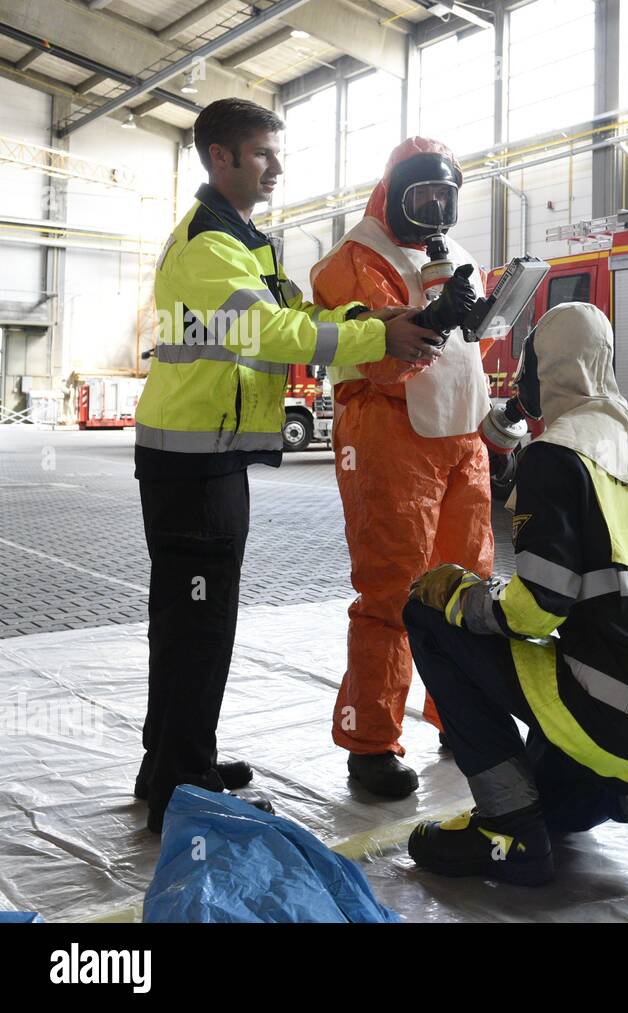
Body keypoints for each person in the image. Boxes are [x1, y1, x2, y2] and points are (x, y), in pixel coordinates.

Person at [133, 99, 442, 833]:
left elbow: (300, 316)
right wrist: (378, 340)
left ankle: (174, 758)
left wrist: (378, 325)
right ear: (220, 157)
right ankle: (183, 786)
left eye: (277, 152)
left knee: (189, 619)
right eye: (263, 153)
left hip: (206, 456)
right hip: (192, 463)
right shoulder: (210, 246)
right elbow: (273, 333)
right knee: (199, 623)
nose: (277, 166)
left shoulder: (243, 242)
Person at [401, 302, 628, 888]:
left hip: (611, 713)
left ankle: (506, 830)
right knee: (557, 812)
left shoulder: (559, 455)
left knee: (427, 616)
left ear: (545, 373)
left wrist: (463, 595)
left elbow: (534, 610)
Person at [310, 138, 491, 798]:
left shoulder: (460, 255)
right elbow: (382, 356)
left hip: (462, 439)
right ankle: (371, 741)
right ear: (394, 194)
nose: (437, 210)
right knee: (393, 591)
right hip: (389, 435)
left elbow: (472, 346)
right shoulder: (354, 260)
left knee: (468, 587)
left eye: (446, 197)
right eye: (424, 198)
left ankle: (462, 714)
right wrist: (432, 320)